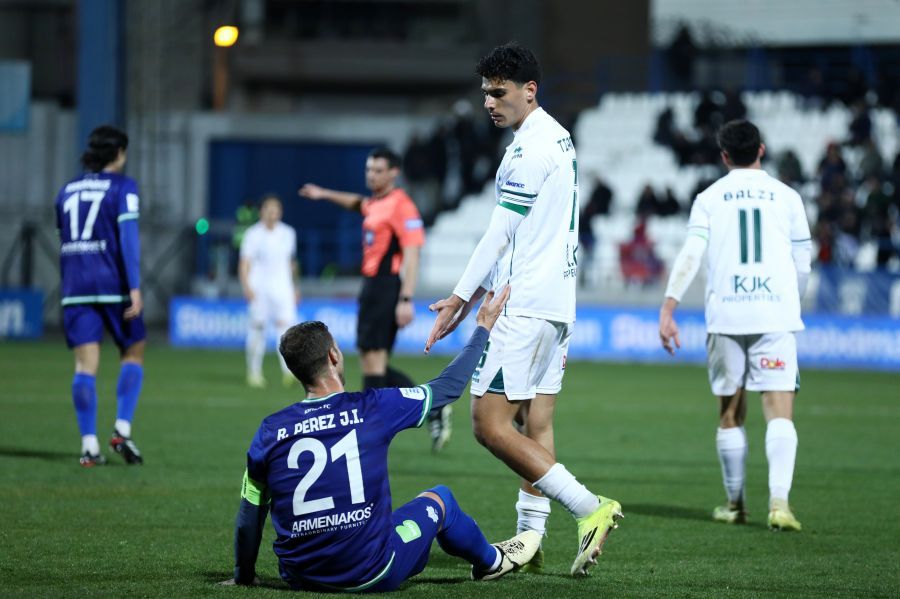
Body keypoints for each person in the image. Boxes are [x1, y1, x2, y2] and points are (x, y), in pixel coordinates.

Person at [425, 42, 623, 577]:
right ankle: (530, 537)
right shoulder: (559, 136)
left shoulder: (527, 150)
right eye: (485, 93)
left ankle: (589, 507)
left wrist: (460, 297)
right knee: (535, 423)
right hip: (556, 302)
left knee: (488, 424)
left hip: (524, 304)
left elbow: (500, 231)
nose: (489, 102)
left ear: (529, 90)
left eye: (499, 92)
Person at [224, 287, 543, 591]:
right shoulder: (371, 408)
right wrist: (483, 327)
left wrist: (243, 576)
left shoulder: (270, 430)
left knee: (377, 522)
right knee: (440, 499)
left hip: (300, 576)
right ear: (333, 356)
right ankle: (492, 561)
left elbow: (251, 511)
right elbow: (448, 388)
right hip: (370, 571)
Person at [658, 119, 812, 531]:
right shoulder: (789, 197)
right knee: (779, 412)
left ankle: (736, 504)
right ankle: (779, 504)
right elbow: (803, 264)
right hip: (775, 314)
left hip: (726, 315)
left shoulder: (709, 198)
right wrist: (789, 302)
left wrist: (669, 307)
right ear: (761, 150)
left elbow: (691, 254)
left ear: (724, 155)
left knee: (730, 412)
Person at [298, 148, 453, 452]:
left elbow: (412, 253)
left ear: (394, 172)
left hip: (387, 287)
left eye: (378, 170)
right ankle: (431, 407)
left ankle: (368, 438)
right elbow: (357, 203)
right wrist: (324, 194)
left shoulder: (402, 206)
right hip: (371, 287)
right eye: (369, 170)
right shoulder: (375, 203)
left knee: (374, 365)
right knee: (373, 364)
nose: (371, 175)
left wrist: (406, 298)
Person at [54, 125, 145, 467]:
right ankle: (122, 428)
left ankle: (89, 446)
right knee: (133, 351)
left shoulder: (66, 190)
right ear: (118, 153)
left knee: (84, 366)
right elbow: (128, 238)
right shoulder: (123, 186)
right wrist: (134, 286)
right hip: (113, 286)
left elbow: (64, 236)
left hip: (75, 288)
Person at [239, 194, 301, 388]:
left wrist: (295, 287)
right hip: (259, 289)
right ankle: (254, 373)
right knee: (258, 329)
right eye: (269, 208)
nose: (273, 212)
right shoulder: (252, 234)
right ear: (261, 211)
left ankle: (289, 372)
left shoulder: (288, 233)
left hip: (282, 289)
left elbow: (291, 263)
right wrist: (246, 286)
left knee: (287, 332)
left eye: (276, 209)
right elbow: (245, 263)